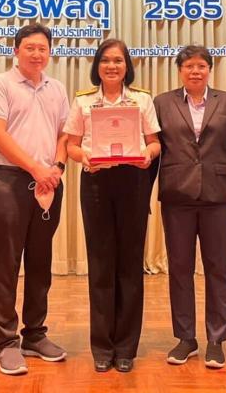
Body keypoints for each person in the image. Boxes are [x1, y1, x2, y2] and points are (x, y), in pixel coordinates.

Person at [64, 39, 161, 373]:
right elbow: (72, 146)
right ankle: (102, 346)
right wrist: (85, 157)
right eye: (105, 60)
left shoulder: (142, 99)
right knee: (101, 263)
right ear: (97, 65)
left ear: (127, 66)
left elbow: (155, 142)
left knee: (130, 264)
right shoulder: (83, 101)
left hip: (133, 181)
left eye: (118, 61)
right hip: (96, 182)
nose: (112, 66)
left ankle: (126, 347)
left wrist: (148, 155)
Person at [153, 45, 226, 370]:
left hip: (218, 196)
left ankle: (216, 340)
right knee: (179, 269)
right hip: (177, 196)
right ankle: (186, 338)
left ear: (209, 69)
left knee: (218, 269)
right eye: (189, 66)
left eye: (201, 66)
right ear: (180, 70)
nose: (195, 71)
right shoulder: (162, 103)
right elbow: (155, 149)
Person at [0, 23, 70, 376]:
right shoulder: (0, 84)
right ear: (16, 50)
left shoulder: (57, 88)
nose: (36, 54)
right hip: (9, 181)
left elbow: (65, 134)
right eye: (30, 47)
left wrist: (57, 168)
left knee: (40, 261)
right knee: (6, 263)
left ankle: (35, 334)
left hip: (50, 182)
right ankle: (6, 342)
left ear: (50, 52)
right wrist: (35, 168)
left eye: (42, 48)